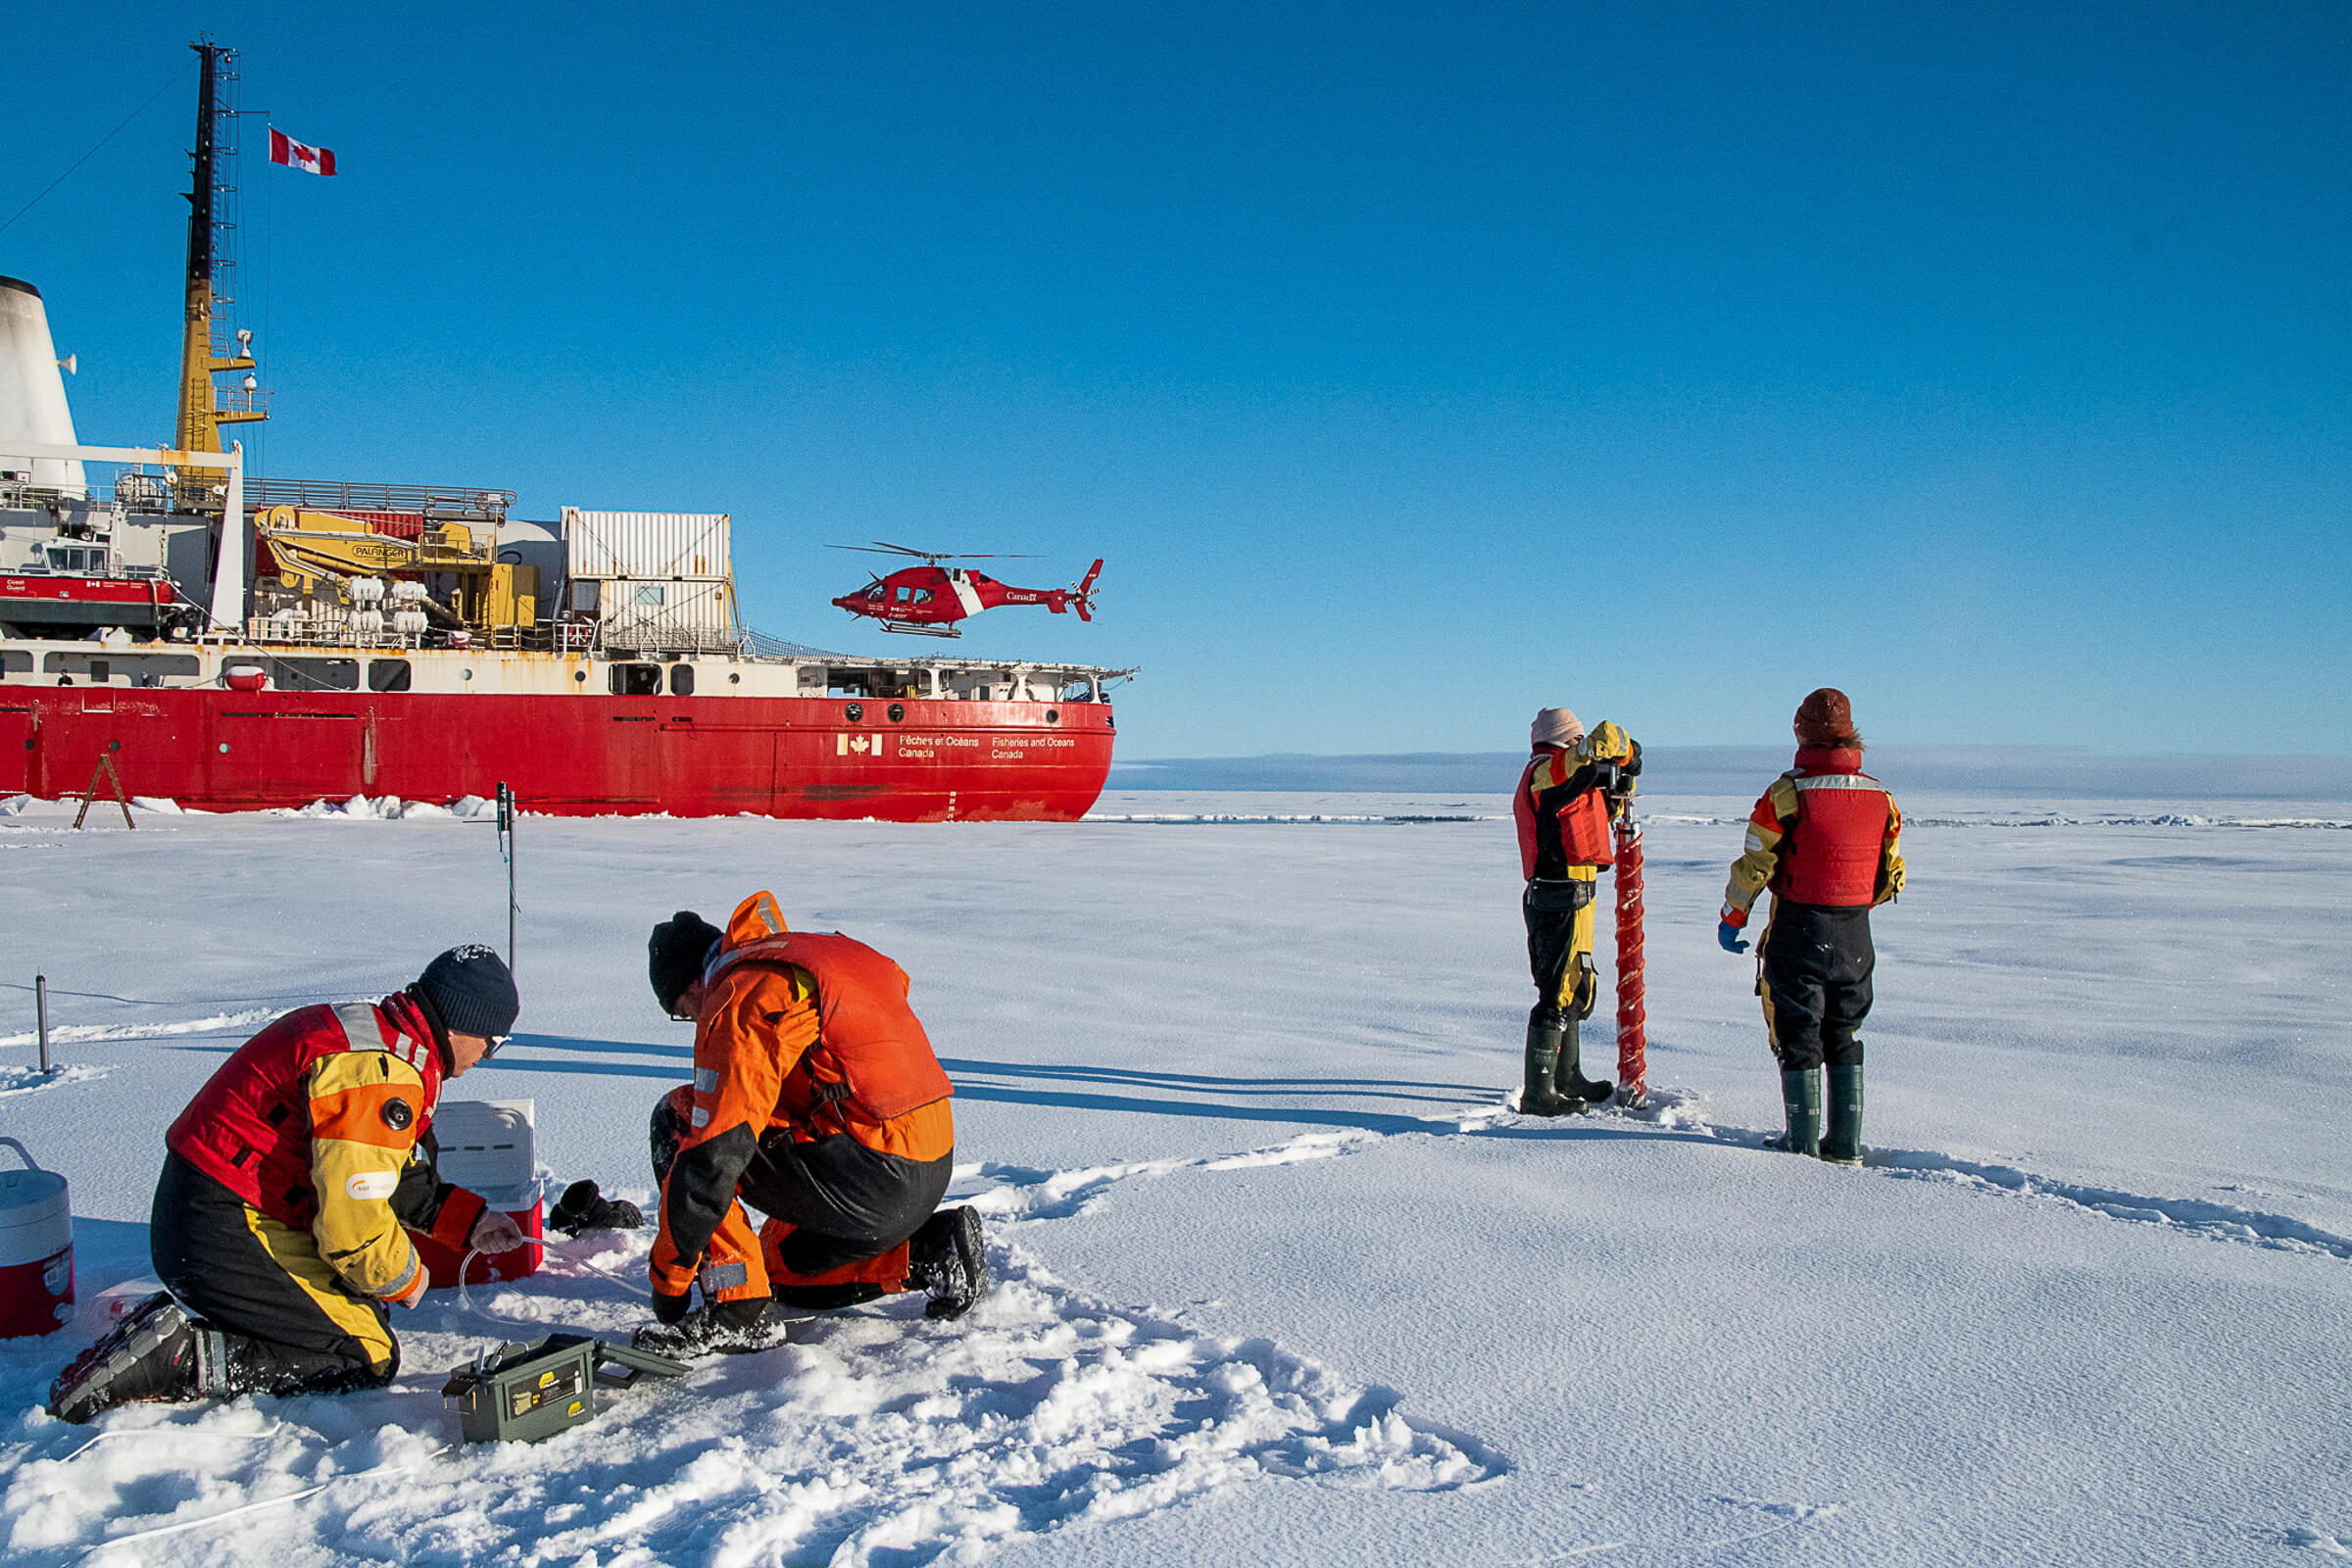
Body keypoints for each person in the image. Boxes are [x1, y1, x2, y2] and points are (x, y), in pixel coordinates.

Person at [47, 947, 526, 1423]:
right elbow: (352, 1224)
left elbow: (381, 1167)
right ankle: (178, 1357)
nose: (489, 1054)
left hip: (213, 1208)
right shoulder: (380, 1075)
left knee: (356, 1320)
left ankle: (169, 1336)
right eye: (494, 1040)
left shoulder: (375, 1033)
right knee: (362, 1355)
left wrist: (472, 1221)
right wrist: (406, 1277)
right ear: (464, 1020)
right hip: (222, 1226)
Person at [635, 891, 989, 1355]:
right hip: (928, 1156)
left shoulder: (742, 997)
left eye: (684, 1013)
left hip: (872, 1168)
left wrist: (670, 1277)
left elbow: (713, 1153)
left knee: (678, 1118)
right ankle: (929, 1249)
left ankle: (739, 1312)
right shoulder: (811, 956)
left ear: (693, 986)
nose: (693, 1021)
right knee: (775, 1264)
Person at [1717, 688, 1905, 1163]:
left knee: (1798, 1029)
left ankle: (1800, 1144)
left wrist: (1732, 917)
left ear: (1800, 731)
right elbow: (1890, 869)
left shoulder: (1786, 793)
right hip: (1856, 931)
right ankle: (1844, 1145)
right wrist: (1852, 907)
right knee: (1844, 1030)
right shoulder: (1881, 796)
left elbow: (1754, 864)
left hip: (1800, 925)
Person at [1514, 708, 1641, 1116]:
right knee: (1555, 989)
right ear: (1565, 740)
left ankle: (1568, 1078)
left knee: (1576, 981)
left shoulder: (1572, 778)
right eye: (1577, 740)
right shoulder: (1543, 772)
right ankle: (1538, 1093)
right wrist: (1591, 751)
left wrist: (1623, 772)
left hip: (1579, 893)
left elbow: (1605, 811)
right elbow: (1566, 766)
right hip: (1556, 895)